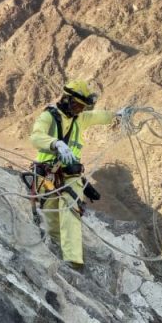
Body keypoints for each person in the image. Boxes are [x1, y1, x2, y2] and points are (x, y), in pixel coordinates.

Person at [28, 79, 123, 269]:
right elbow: (36, 136)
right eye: (77, 106)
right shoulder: (49, 117)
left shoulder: (79, 119)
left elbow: (99, 116)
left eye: (82, 107)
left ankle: (73, 259)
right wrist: (55, 144)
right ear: (66, 99)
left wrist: (118, 115)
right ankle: (58, 249)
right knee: (51, 218)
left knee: (71, 211)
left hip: (71, 176)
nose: (79, 110)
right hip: (48, 175)